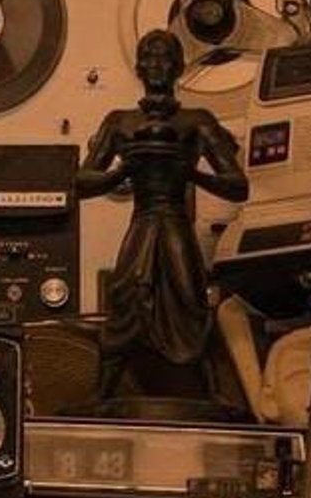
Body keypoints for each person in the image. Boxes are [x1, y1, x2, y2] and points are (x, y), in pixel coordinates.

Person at [79, 29, 250, 416]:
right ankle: (101, 395)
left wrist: (190, 173)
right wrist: (123, 169)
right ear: (139, 67)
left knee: (189, 298)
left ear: (178, 67)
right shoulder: (120, 122)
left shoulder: (197, 120)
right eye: (150, 57)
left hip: (174, 220)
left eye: (165, 57)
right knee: (125, 298)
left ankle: (215, 391)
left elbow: (237, 185)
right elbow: (81, 182)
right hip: (143, 219)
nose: (157, 65)